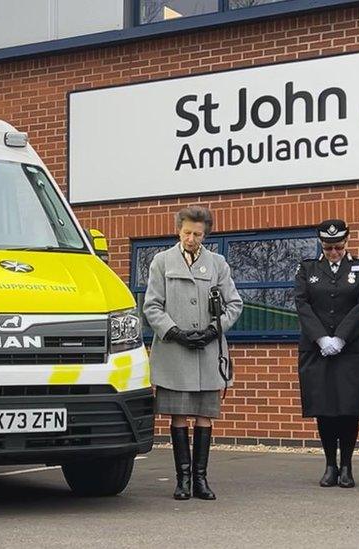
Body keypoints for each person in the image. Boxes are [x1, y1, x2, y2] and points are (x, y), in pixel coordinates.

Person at [143, 206, 243, 501]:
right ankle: (182, 480)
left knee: (204, 416)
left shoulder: (217, 263)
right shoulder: (161, 262)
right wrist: (174, 332)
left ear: (205, 234)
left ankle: (201, 479)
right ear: (178, 230)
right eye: (187, 232)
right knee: (178, 417)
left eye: (197, 234)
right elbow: (152, 305)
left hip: (208, 352)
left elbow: (234, 304)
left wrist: (215, 329)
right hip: (176, 351)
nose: (191, 238)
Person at [294, 219, 359, 488]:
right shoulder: (307, 269)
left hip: (352, 349)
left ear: (347, 242)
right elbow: (302, 303)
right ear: (321, 245)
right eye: (328, 248)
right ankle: (330, 464)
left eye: (338, 247)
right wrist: (321, 337)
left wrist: (340, 337)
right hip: (317, 349)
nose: (333, 253)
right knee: (325, 408)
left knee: (348, 409)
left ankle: (347, 466)